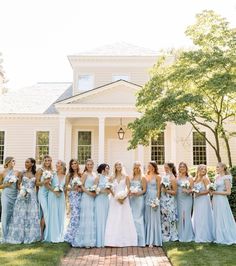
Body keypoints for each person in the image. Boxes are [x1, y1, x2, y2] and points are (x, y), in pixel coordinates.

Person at [6, 158, 41, 244]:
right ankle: (18, 236)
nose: (26, 163)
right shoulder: (22, 173)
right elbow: (18, 185)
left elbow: (37, 186)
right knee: (20, 215)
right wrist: (22, 191)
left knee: (30, 216)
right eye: (25, 162)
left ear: (32, 164)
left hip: (32, 197)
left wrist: (37, 197)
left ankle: (30, 236)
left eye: (28, 162)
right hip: (22, 196)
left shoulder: (35, 174)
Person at [104, 161, 137, 247]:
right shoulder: (111, 177)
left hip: (124, 200)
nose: (118, 166)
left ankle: (126, 240)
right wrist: (117, 198)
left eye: (119, 165)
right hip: (114, 200)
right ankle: (112, 240)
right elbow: (110, 188)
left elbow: (129, 189)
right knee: (114, 218)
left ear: (122, 166)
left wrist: (123, 197)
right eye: (116, 165)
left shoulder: (126, 177)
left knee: (124, 218)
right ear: (114, 167)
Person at [73, 159, 97, 247]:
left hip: (93, 198)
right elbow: (81, 185)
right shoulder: (85, 174)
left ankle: (91, 240)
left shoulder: (94, 174)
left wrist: (94, 192)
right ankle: (85, 241)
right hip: (86, 197)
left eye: (91, 164)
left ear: (93, 165)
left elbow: (95, 185)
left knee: (91, 217)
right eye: (88, 164)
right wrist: (88, 192)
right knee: (86, 217)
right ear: (86, 166)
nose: (90, 166)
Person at [211, 162, 236, 245]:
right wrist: (212, 191)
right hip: (215, 200)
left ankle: (224, 236)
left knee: (222, 216)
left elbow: (228, 192)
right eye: (216, 167)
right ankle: (217, 236)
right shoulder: (217, 177)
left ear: (223, 168)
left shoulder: (226, 178)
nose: (216, 168)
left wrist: (216, 193)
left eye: (218, 167)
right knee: (216, 217)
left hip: (221, 200)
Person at [44, 160, 66, 243]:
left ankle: (60, 235)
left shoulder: (65, 175)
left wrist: (61, 192)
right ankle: (53, 235)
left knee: (60, 214)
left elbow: (65, 187)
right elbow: (46, 184)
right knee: (53, 214)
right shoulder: (52, 174)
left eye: (58, 163)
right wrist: (54, 191)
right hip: (52, 195)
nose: (56, 165)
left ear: (62, 166)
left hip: (61, 197)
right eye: (56, 163)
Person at [192, 164, 214, 243]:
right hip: (197, 200)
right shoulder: (196, 179)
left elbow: (209, 190)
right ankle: (197, 233)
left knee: (203, 216)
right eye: (201, 169)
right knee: (197, 216)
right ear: (198, 170)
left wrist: (199, 194)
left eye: (205, 169)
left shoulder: (205, 179)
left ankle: (203, 236)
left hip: (204, 200)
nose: (203, 170)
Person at [0, 157, 20, 242]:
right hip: (6, 195)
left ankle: (13, 234)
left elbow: (18, 185)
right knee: (5, 214)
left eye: (14, 161)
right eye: (13, 161)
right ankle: (4, 235)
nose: (14, 162)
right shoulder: (2, 173)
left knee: (14, 214)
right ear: (8, 162)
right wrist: (7, 184)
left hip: (15, 194)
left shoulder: (17, 172)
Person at [64, 159, 83, 245]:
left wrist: (79, 188)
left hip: (81, 196)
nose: (74, 165)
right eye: (72, 164)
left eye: (75, 163)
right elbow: (66, 187)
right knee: (74, 215)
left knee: (80, 215)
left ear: (77, 164)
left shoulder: (81, 174)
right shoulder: (69, 175)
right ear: (70, 166)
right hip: (73, 197)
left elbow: (83, 186)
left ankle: (80, 234)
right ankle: (71, 235)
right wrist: (73, 188)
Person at [145, 161, 162, 247]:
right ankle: (147, 239)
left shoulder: (158, 177)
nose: (149, 167)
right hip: (147, 197)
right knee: (148, 217)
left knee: (154, 218)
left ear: (154, 167)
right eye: (148, 166)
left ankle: (154, 240)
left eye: (151, 166)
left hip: (154, 196)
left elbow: (159, 189)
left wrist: (157, 200)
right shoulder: (146, 176)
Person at [36, 155, 53, 239]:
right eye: (45, 160)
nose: (47, 162)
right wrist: (44, 181)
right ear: (43, 161)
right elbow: (37, 183)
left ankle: (46, 232)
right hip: (42, 193)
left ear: (51, 161)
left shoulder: (52, 171)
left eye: (49, 160)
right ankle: (42, 235)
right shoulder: (40, 170)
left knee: (48, 213)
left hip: (49, 193)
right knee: (45, 213)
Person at [176, 162, 194, 242]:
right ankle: (180, 234)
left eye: (183, 167)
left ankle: (187, 235)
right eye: (180, 167)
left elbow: (192, 189)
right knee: (180, 216)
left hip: (187, 199)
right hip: (179, 198)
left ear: (186, 168)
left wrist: (187, 191)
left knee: (186, 216)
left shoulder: (189, 178)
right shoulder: (177, 177)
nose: (182, 168)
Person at [160, 162, 178, 242]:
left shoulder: (172, 178)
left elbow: (175, 192)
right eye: (164, 167)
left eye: (166, 167)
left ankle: (172, 235)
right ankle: (165, 234)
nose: (165, 168)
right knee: (164, 217)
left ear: (171, 168)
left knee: (170, 216)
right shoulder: (164, 176)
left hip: (170, 200)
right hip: (163, 199)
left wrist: (166, 190)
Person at [129, 161, 146, 247]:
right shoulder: (132, 177)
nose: (136, 169)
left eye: (137, 167)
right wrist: (131, 192)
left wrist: (137, 193)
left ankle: (141, 240)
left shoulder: (142, 177)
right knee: (132, 218)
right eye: (135, 167)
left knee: (138, 218)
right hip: (132, 199)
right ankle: (133, 239)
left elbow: (144, 190)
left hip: (139, 199)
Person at [94, 163, 111, 247]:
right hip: (99, 200)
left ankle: (106, 240)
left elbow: (109, 191)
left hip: (106, 200)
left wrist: (107, 191)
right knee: (99, 218)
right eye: (107, 168)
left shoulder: (108, 178)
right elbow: (95, 189)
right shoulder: (98, 177)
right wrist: (101, 191)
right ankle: (99, 241)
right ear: (102, 169)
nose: (108, 170)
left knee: (106, 218)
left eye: (108, 168)